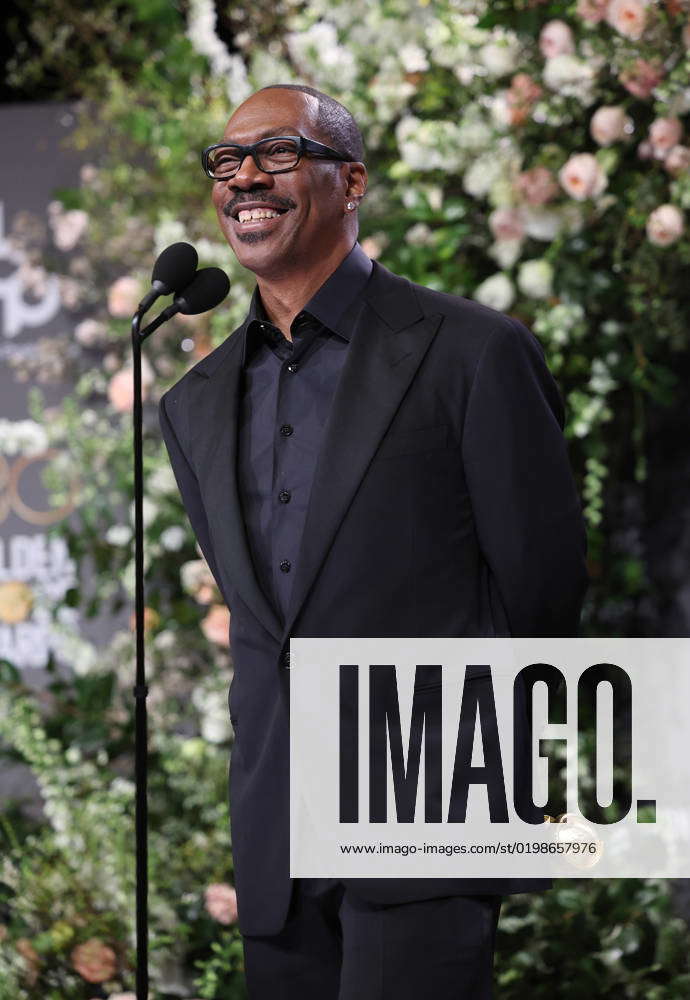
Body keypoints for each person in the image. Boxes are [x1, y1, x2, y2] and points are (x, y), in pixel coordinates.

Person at [159, 83, 589, 999]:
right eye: (226, 162)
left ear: (350, 181)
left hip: (424, 801)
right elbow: (260, 617)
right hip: (278, 824)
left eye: (278, 153)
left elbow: (543, 591)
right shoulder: (192, 404)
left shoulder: (472, 350)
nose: (245, 179)